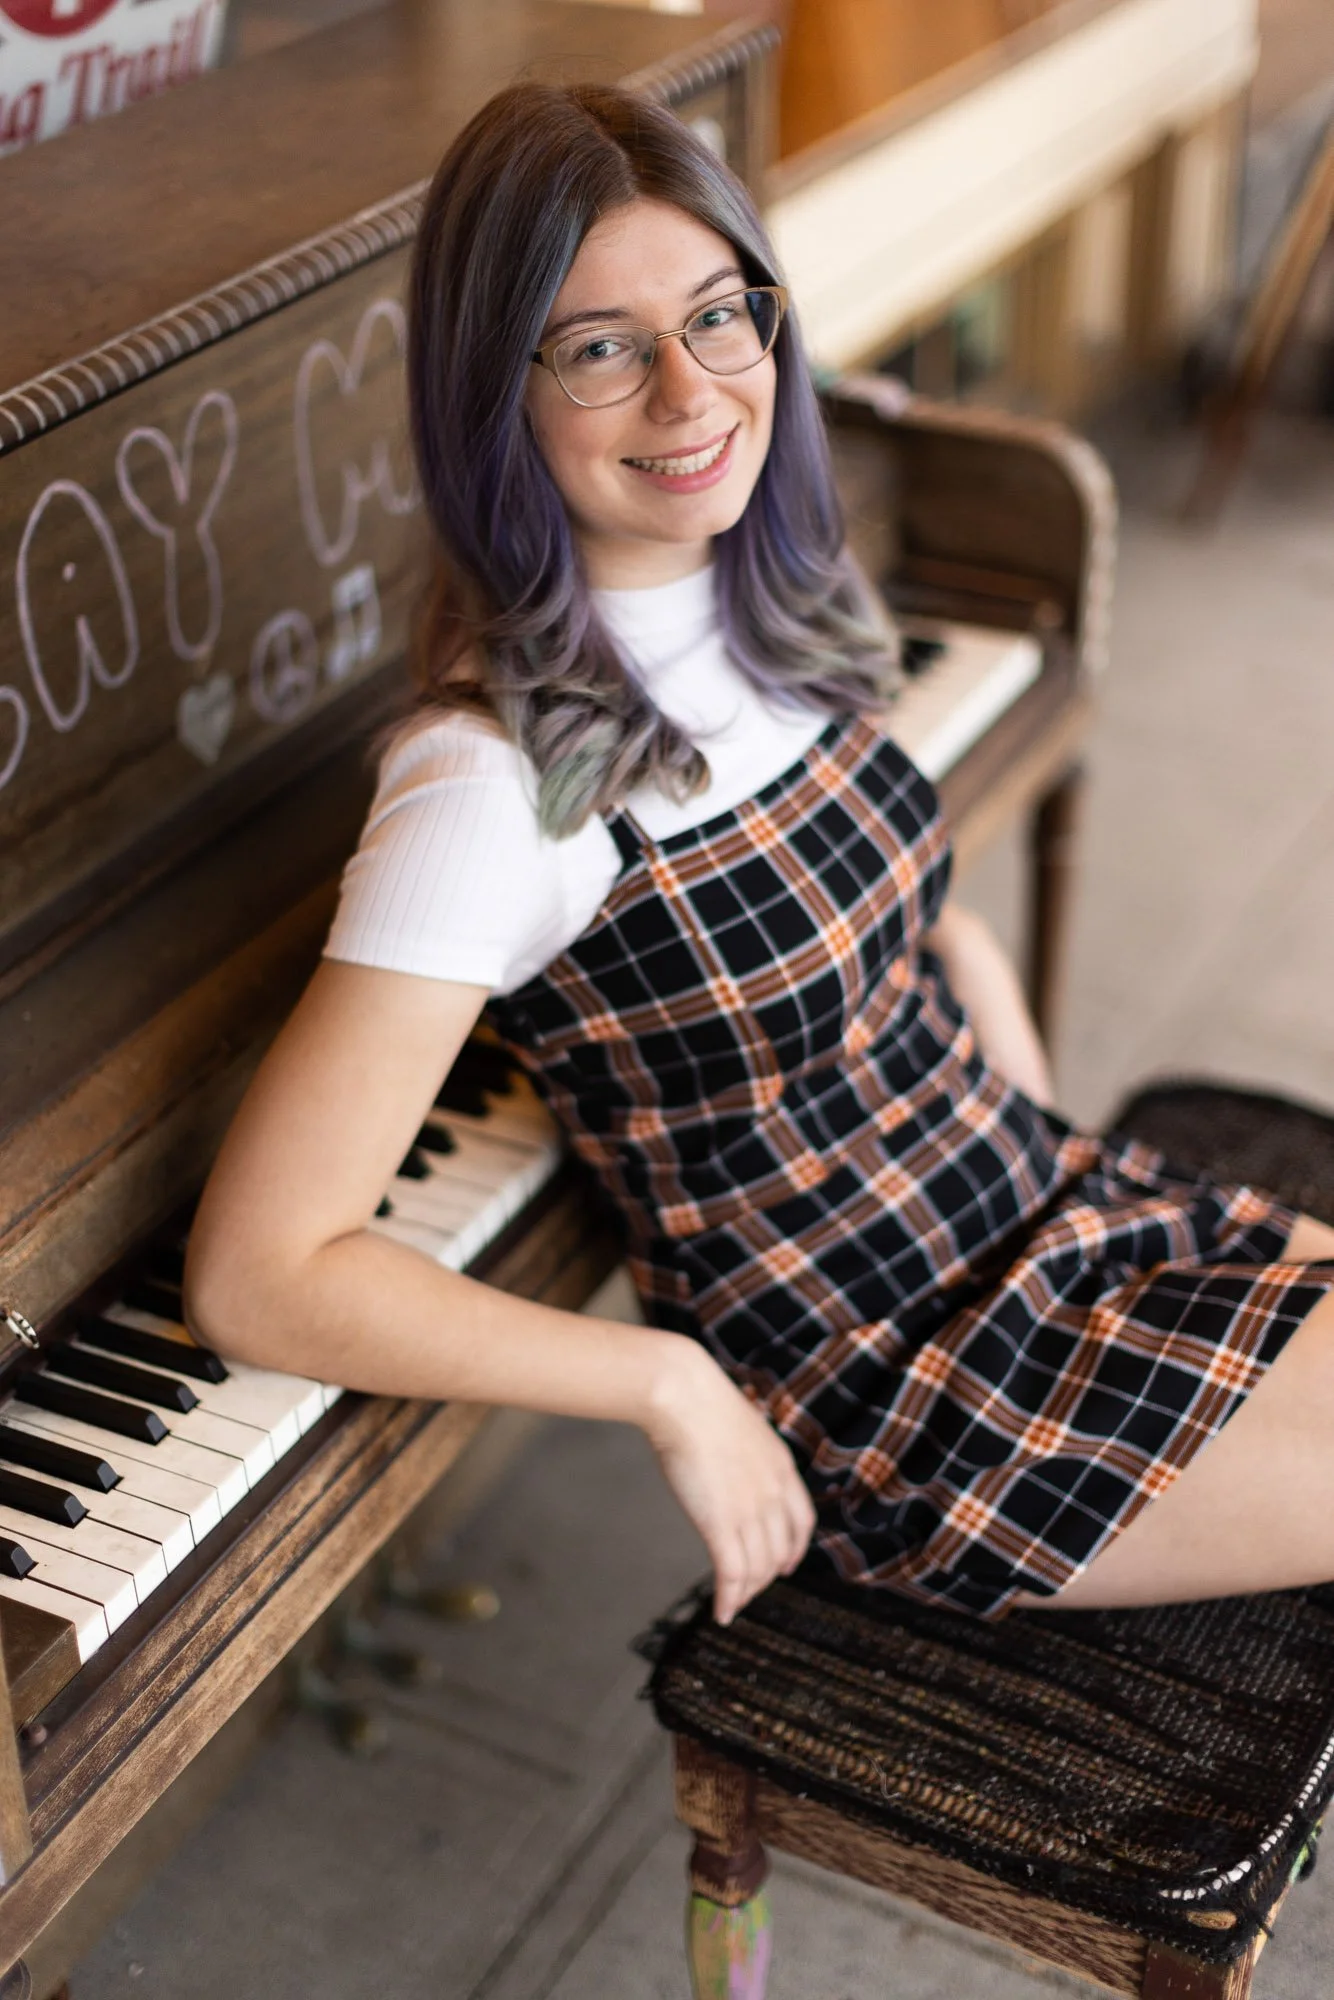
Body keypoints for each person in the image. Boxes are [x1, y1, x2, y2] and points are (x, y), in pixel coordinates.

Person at [186, 82, 1334, 1630]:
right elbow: (258, 1271)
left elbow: (928, 936)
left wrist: (1035, 1129)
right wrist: (665, 1383)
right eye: (600, 347)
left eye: (717, 316)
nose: (688, 393)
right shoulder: (484, 790)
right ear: (494, 392)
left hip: (1042, 1216)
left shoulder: (766, 595)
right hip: (908, 1398)